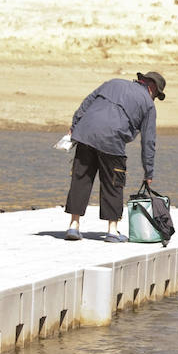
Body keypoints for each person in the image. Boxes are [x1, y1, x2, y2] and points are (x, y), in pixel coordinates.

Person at [64, 71, 166, 242]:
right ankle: (112, 231)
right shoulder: (148, 104)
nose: (155, 98)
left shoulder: (112, 83)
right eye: (156, 94)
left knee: (81, 179)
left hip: (86, 133)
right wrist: (148, 172)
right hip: (112, 141)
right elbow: (148, 141)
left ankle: (73, 226)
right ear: (152, 87)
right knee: (113, 183)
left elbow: (87, 103)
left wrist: (75, 126)